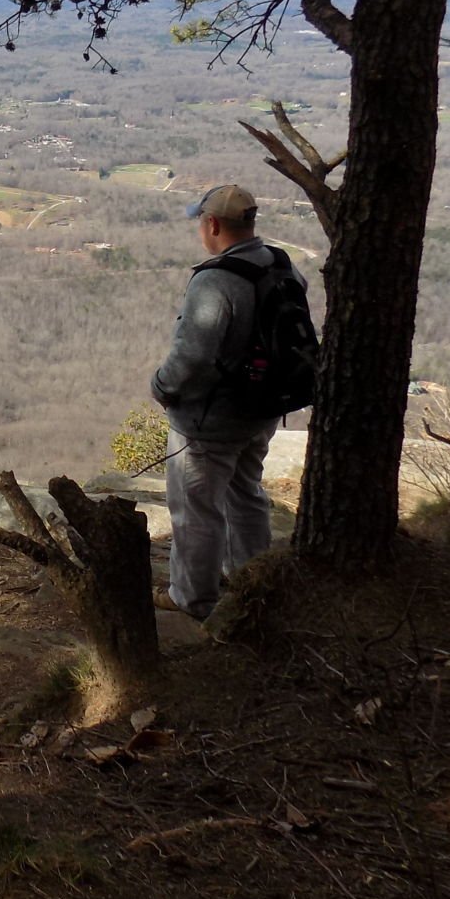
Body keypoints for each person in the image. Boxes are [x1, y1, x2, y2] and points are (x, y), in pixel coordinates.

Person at [150, 184, 301, 620]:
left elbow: (192, 355)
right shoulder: (281, 264)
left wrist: (161, 387)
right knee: (246, 494)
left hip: (210, 418)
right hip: (263, 409)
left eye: (201, 220)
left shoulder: (216, 280)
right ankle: (254, 583)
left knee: (195, 509)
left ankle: (192, 599)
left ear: (212, 224)